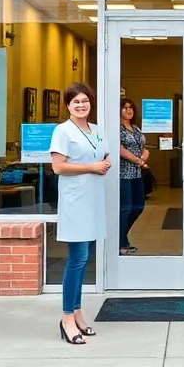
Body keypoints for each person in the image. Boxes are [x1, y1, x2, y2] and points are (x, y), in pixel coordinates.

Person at [49, 82, 109, 346]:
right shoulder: (62, 131)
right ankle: (66, 319)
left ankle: (77, 313)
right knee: (78, 259)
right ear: (68, 106)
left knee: (84, 260)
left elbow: (104, 154)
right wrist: (92, 167)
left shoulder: (96, 130)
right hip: (75, 203)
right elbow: (58, 167)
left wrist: (103, 164)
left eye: (85, 101)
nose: (81, 105)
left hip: (93, 200)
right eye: (76, 102)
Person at [117, 98, 149, 255]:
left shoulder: (135, 128)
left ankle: (119, 237)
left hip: (136, 174)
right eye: (124, 108)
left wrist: (144, 157)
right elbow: (119, 149)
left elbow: (144, 148)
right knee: (125, 208)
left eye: (130, 107)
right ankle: (120, 243)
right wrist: (138, 161)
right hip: (122, 174)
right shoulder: (116, 128)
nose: (128, 110)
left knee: (138, 207)